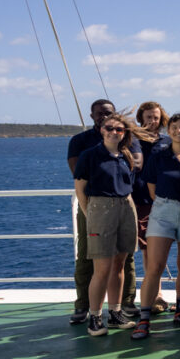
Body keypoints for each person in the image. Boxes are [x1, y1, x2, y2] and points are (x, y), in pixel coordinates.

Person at [66, 99, 142, 324]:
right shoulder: (88, 152)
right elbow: (80, 187)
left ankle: (116, 311)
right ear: (99, 126)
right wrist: (90, 213)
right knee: (100, 266)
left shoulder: (126, 154)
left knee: (120, 263)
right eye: (109, 128)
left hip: (125, 207)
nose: (113, 131)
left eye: (119, 128)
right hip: (99, 208)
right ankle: (93, 315)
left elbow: (132, 175)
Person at [131, 112, 180, 339]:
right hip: (162, 211)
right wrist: (166, 204)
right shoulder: (159, 156)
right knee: (155, 266)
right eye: (175, 127)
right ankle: (144, 319)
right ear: (168, 131)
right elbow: (151, 187)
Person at [134, 101, 172, 314]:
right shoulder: (132, 140)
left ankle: (155, 295)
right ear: (142, 118)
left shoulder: (166, 141)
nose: (152, 121)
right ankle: (150, 295)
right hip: (139, 200)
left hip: (162, 200)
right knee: (145, 250)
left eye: (156, 117)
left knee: (154, 250)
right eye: (148, 117)